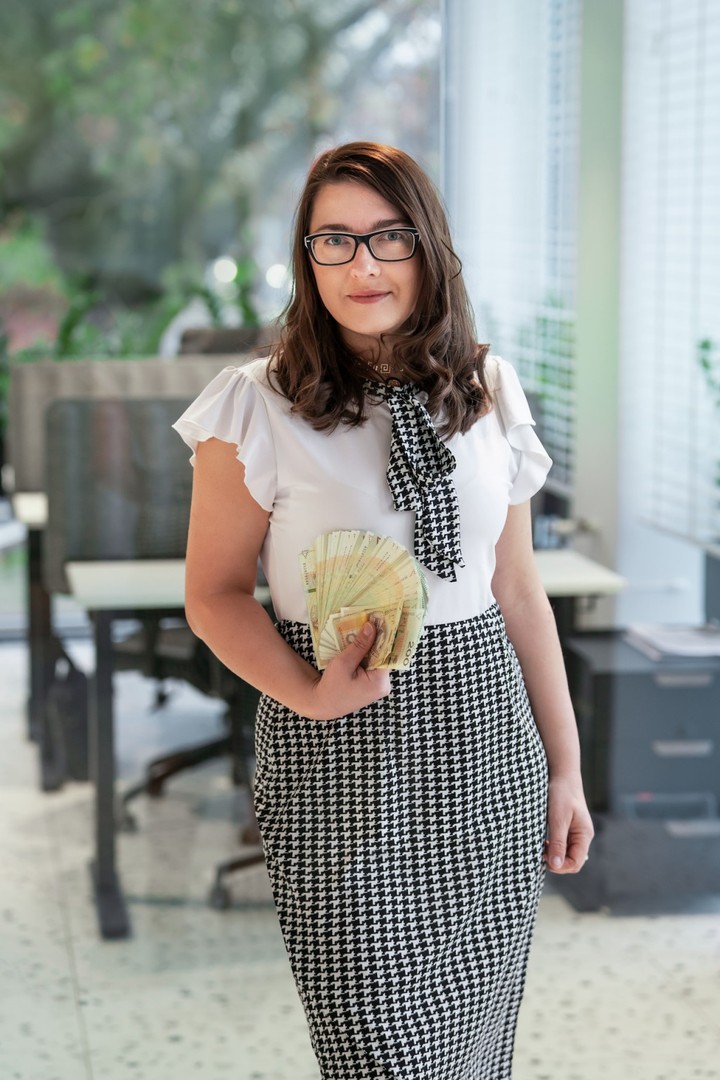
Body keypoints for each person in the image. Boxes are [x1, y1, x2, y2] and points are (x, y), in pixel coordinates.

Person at [173, 141, 594, 1080]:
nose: (362, 264)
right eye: (334, 240)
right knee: (377, 1052)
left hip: (488, 750)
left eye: (388, 237)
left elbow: (517, 589)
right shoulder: (255, 404)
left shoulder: (488, 388)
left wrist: (566, 769)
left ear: (428, 246)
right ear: (306, 258)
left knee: (475, 1052)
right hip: (339, 756)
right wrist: (309, 695)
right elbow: (212, 595)